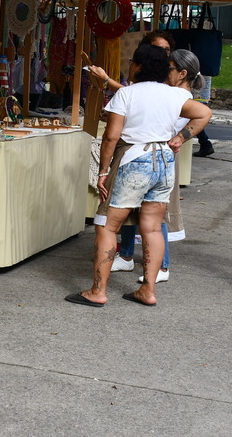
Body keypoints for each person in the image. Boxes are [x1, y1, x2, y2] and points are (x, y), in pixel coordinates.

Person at [67, 43, 211, 307]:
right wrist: (180, 138)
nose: (130, 66)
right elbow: (204, 113)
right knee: (153, 227)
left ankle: (98, 291)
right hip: (164, 163)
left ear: (140, 66)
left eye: (133, 62)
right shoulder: (174, 95)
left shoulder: (127, 94)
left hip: (134, 160)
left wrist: (103, 170)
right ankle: (148, 289)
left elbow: (111, 136)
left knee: (107, 225)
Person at [110, 49, 207, 284]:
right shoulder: (172, 93)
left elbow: (202, 114)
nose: (165, 72)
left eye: (170, 68)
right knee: (143, 213)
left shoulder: (178, 96)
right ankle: (128, 256)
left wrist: (181, 137)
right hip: (155, 158)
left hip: (155, 157)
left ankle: (161, 265)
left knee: (154, 217)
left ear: (182, 73)